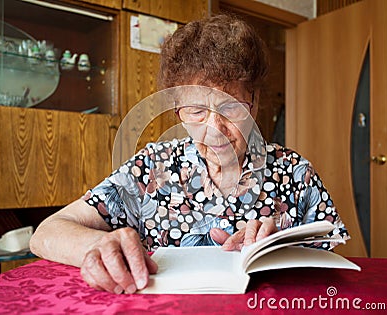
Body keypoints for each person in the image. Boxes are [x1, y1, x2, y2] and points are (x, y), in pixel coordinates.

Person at [30, 14, 350, 295]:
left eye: (230, 107)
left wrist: (279, 247)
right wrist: (98, 246)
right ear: (178, 111)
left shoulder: (295, 171)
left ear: (253, 102)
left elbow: (331, 271)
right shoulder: (151, 168)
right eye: (196, 110)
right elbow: (45, 233)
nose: (214, 128)